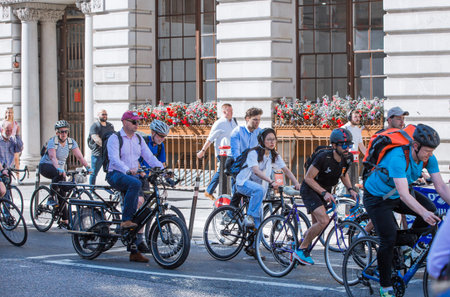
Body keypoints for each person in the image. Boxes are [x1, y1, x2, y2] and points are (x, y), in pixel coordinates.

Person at [363, 124, 450, 297]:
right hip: (377, 198)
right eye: (427, 151)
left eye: (432, 151)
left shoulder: (427, 157)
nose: (430, 155)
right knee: (388, 239)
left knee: (430, 209)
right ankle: (385, 286)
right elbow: (404, 195)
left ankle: (405, 243)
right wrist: (423, 213)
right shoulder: (398, 157)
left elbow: (440, 186)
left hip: (395, 194)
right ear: (415, 146)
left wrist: (427, 212)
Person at [293, 128, 358, 265]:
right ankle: (301, 250)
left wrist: (351, 189)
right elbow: (308, 178)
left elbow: (343, 174)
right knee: (324, 221)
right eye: (344, 145)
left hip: (324, 190)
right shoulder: (323, 157)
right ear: (334, 145)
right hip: (310, 189)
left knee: (318, 226)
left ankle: (298, 244)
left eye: (349, 145)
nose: (347, 148)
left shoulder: (347, 158)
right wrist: (324, 193)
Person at [106, 111, 164, 263]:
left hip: (132, 177)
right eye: (134, 122)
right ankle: (125, 221)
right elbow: (113, 159)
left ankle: (134, 250)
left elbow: (149, 157)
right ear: (125, 122)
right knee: (135, 184)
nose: (137, 125)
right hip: (116, 174)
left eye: (138, 122)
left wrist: (163, 170)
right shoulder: (115, 138)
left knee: (143, 208)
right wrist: (126, 169)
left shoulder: (138, 138)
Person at [236, 128, 301, 230]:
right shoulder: (253, 153)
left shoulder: (274, 156)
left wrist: (297, 184)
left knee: (259, 218)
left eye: (274, 139)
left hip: (260, 188)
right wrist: (271, 181)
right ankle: (249, 217)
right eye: (269, 139)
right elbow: (256, 171)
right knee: (259, 191)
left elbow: (286, 170)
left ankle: (254, 243)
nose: (272, 142)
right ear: (262, 140)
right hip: (243, 183)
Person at [39, 120, 92, 227]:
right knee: (58, 174)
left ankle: (65, 220)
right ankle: (51, 198)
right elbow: (53, 157)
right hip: (46, 166)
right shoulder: (52, 141)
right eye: (61, 132)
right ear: (57, 133)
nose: (64, 134)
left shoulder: (71, 142)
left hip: (60, 169)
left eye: (66, 132)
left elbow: (79, 156)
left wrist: (87, 167)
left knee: (63, 193)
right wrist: (59, 168)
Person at [197, 103, 238, 200]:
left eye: (232, 111)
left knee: (225, 171)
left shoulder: (233, 122)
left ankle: (210, 191)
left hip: (232, 152)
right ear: (224, 112)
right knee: (227, 171)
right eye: (230, 111)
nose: (232, 113)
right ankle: (233, 193)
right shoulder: (219, 123)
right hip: (223, 153)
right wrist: (203, 150)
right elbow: (210, 139)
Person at [229, 107, 263, 205]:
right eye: (255, 119)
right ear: (247, 118)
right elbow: (236, 154)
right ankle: (231, 213)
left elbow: (262, 151)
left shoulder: (260, 133)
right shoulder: (237, 132)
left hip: (252, 167)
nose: (257, 122)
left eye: (259, 120)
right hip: (238, 166)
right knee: (238, 191)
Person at [88, 109, 114, 185]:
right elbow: (95, 138)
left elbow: (113, 137)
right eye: (103, 114)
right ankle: (92, 192)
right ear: (98, 115)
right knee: (93, 173)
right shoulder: (95, 126)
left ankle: (114, 189)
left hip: (107, 154)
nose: (105, 116)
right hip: (97, 154)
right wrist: (106, 145)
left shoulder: (110, 126)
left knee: (111, 172)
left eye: (106, 114)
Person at [2, 107, 22, 184]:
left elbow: (17, 134)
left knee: (16, 159)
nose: (9, 114)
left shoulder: (15, 123)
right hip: (5, 142)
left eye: (10, 112)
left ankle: (17, 177)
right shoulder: (3, 123)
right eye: (8, 112)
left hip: (13, 142)